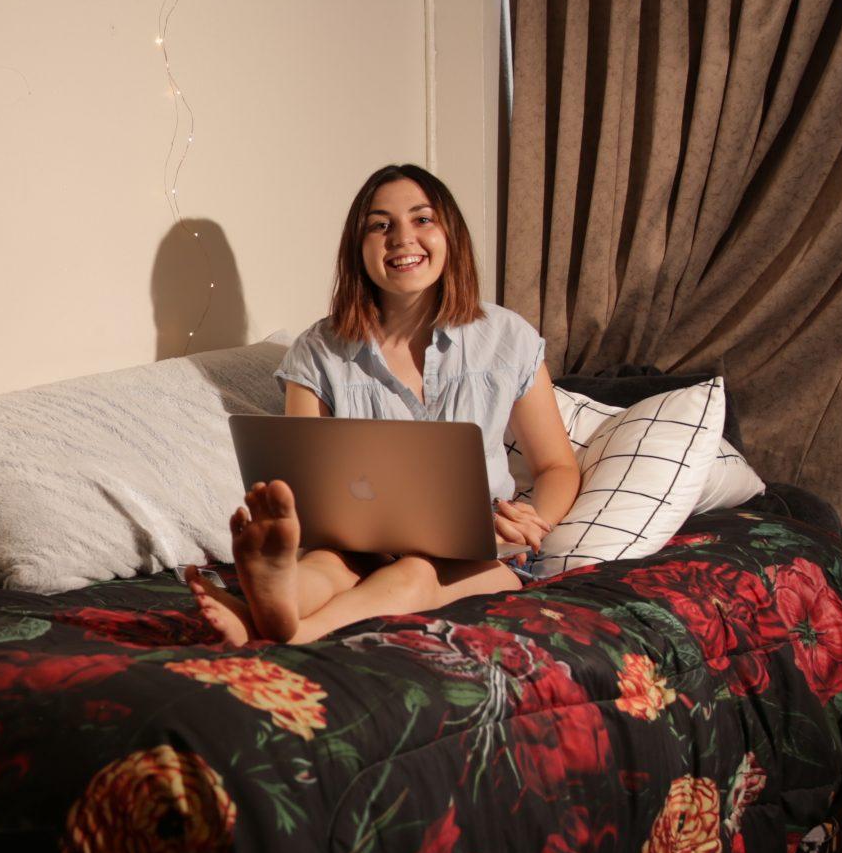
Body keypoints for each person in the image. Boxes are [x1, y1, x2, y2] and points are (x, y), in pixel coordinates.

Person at [187, 164, 582, 644]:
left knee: (416, 572)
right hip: (362, 545)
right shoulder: (318, 351)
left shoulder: (506, 338)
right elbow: (297, 486)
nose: (401, 238)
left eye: (422, 219)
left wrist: (534, 519)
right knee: (327, 566)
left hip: (484, 553)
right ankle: (276, 591)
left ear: (450, 236)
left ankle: (282, 629)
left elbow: (557, 466)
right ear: (359, 248)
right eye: (380, 225)